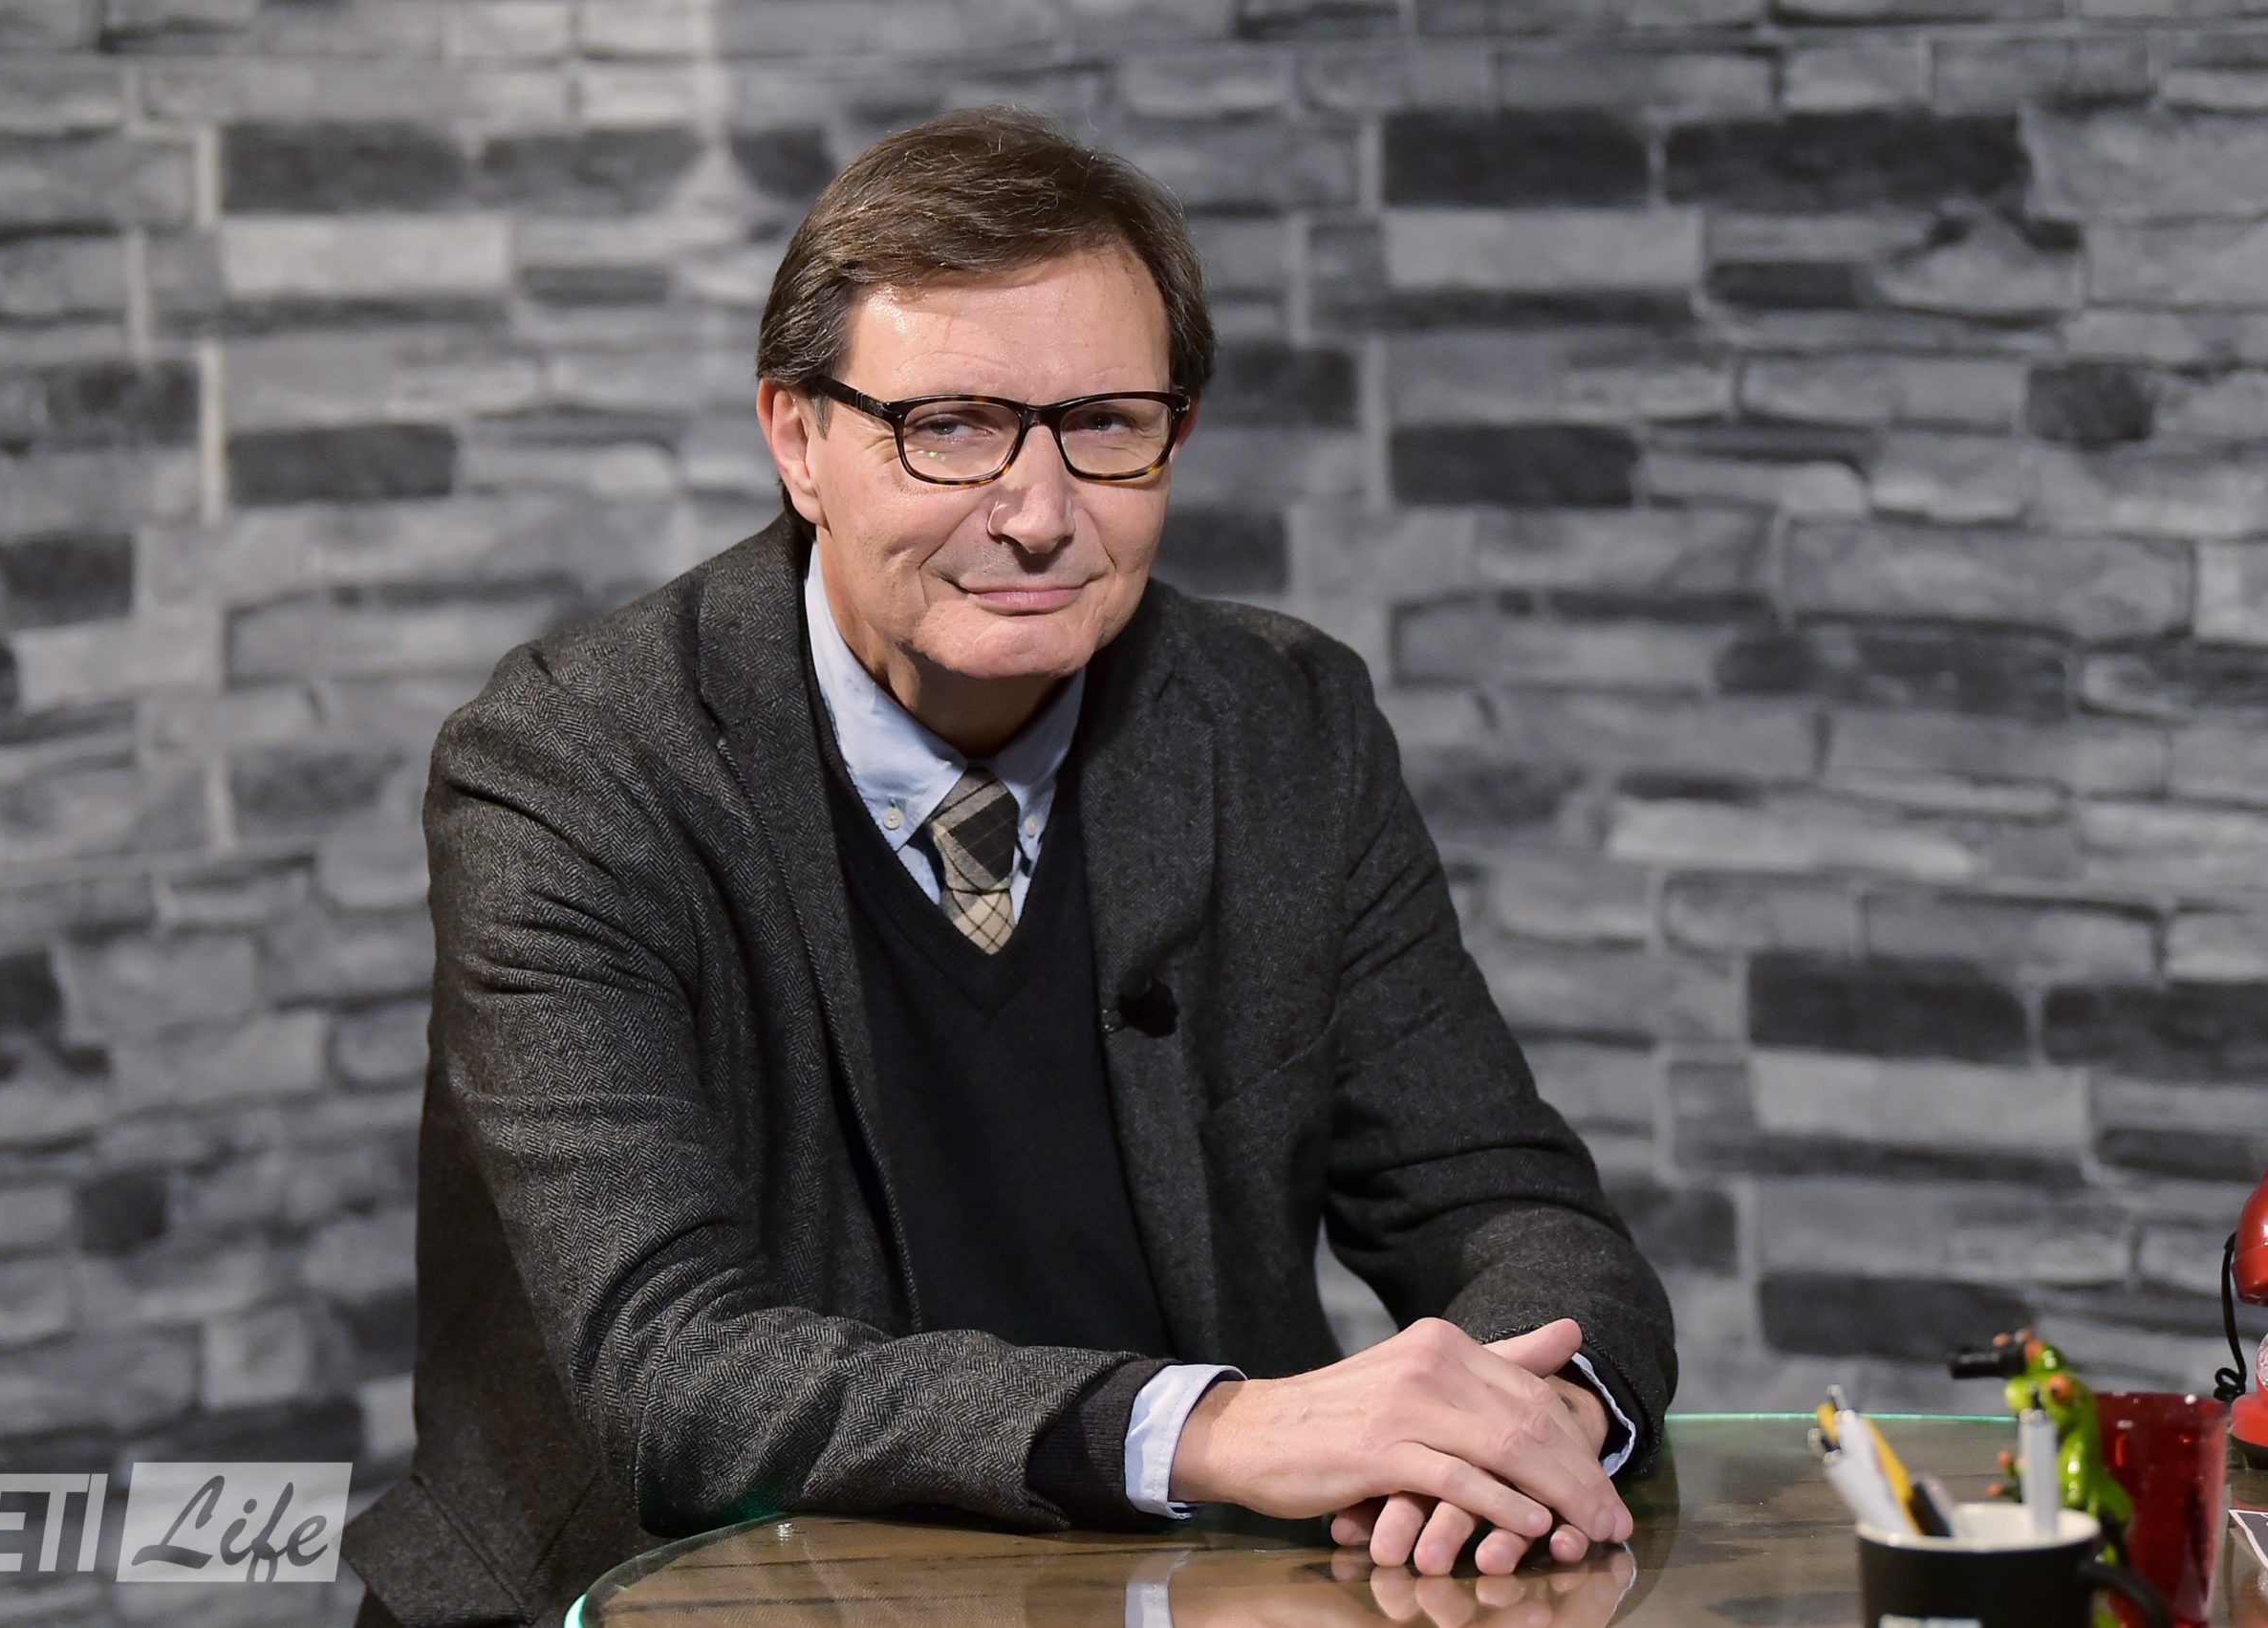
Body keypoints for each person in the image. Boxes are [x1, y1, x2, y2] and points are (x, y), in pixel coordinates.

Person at [341, 106, 1676, 1628]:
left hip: (1177, 1598)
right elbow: (674, 1375)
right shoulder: (574, 767)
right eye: (953, 427)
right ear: (798, 439)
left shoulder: (1283, 725)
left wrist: (1529, 1422)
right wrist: (1216, 1430)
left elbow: (1507, 1209)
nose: (1038, 516)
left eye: (1105, 424)